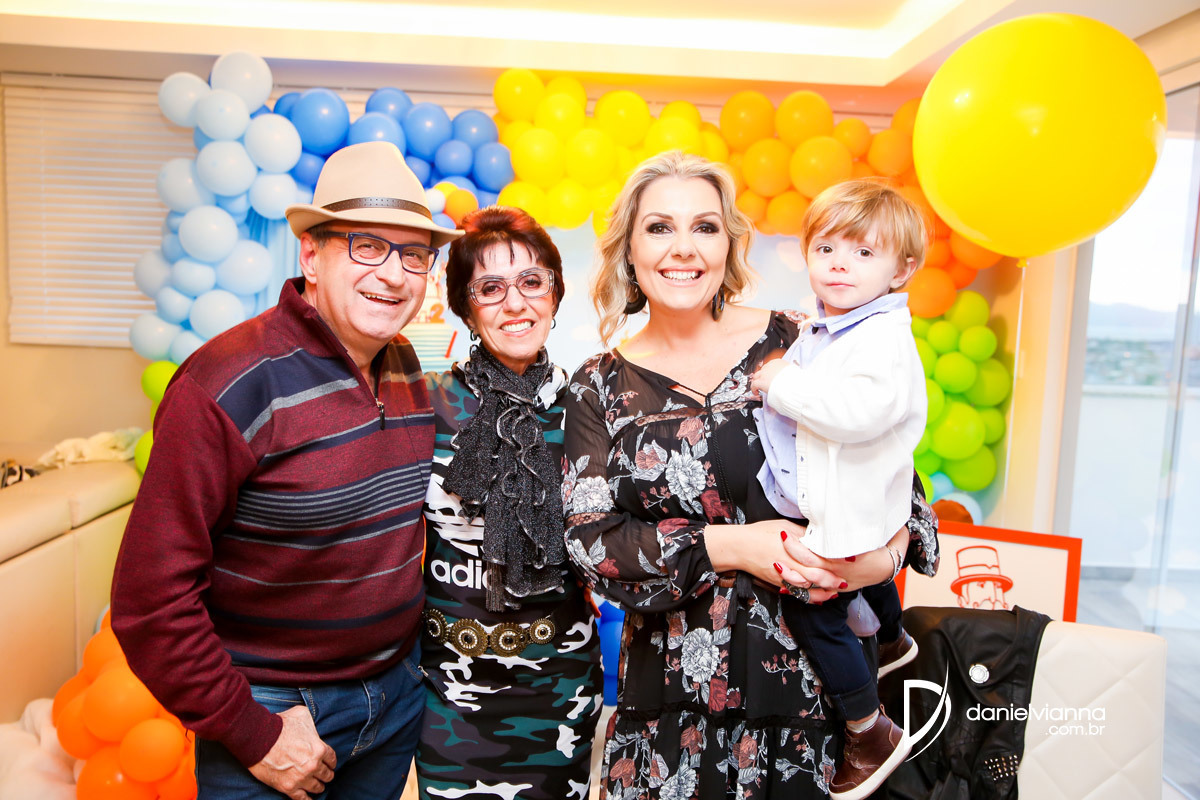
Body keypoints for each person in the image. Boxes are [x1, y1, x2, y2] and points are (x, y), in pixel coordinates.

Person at [562, 151, 939, 800]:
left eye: (705, 227)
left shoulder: (803, 342)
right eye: (659, 227)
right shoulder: (596, 386)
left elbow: (899, 485)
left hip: (814, 709)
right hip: (669, 716)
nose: (684, 248)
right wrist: (732, 546)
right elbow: (591, 544)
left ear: (729, 244)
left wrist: (878, 563)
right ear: (629, 246)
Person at [110, 141, 461, 800]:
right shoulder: (228, 382)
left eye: (414, 254)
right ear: (311, 256)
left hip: (394, 700)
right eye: (367, 246)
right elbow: (148, 599)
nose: (394, 274)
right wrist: (252, 733)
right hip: (273, 711)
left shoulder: (407, 364)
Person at [748, 178, 929, 800]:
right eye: (826, 249)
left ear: (902, 270)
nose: (840, 264)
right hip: (838, 500)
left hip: (850, 503)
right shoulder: (835, 325)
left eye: (863, 252)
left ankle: (868, 727)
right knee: (857, 574)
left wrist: (778, 381)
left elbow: (856, 412)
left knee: (813, 604)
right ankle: (892, 636)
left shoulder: (881, 337)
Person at [415, 206, 602, 800]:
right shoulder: (427, 404)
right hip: (450, 692)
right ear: (465, 307)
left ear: (554, 293)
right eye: (490, 288)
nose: (515, 303)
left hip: (559, 687)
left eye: (531, 281)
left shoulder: (591, 408)